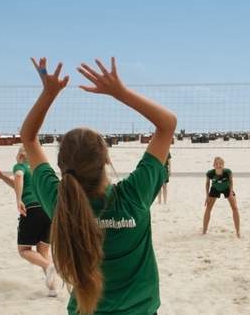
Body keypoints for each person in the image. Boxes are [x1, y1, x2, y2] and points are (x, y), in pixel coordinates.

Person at [22, 56, 176, 315]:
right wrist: (120, 92)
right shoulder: (132, 196)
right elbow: (167, 124)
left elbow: (28, 138)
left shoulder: (61, 202)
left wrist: (48, 94)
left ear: (61, 166)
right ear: (106, 158)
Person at [0, 146, 58, 297]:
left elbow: (20, 177)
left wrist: (18, 200)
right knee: (43, 252)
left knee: (24, 250)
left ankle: (49, 266)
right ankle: (52, 289)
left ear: (21, 155)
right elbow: (18, 183)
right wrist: (2, 176)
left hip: (32, 209)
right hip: (48, 210)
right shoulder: (38, 170)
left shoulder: (20, 166)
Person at [202, 157, 241, 238]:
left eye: (220, 164)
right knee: (208, 208)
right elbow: (207, 184)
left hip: (227, 188)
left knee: (235, 207)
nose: (218, 165)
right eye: (216, 164)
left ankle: (238, 231)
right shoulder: (210, 173)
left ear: (223, 165)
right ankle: (204, 231)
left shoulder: (228, 172)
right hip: (215, 188)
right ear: (213, 165)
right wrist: (207, 196)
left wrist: (231, 193)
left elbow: (231, 182)